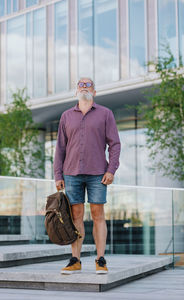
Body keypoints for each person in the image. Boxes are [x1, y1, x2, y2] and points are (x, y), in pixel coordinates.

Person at [53, 77, 121, 274]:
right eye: (80, 85)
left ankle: (100, 259)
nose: (84, 87)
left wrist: (111, 170)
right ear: (76, 92)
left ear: (95, 92)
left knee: (98, 214)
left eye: (88, 84)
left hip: (98, 173)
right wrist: (58, 174)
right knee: (75, 216)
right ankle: (75, 259)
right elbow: (60, 148)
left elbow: (114, 144)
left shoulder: (105, 114)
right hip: (71, 173)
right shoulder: (66, 116)